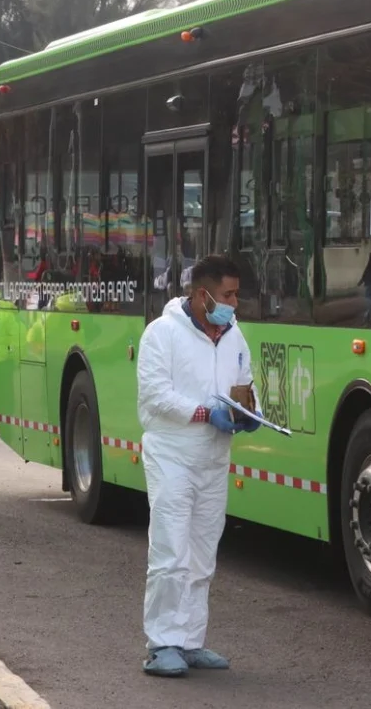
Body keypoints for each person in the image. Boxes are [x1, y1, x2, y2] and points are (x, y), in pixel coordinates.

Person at [136, 254, 261, 677]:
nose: (234, 303)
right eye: (227, 295)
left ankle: (190, 640)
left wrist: (247, 412)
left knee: (203, 554)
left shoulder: (233, 335)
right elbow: (155, 396)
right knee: (171, 550)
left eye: (236, 294)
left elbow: (245, 385)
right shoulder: (162, 334)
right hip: (172, 453)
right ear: (201, 293)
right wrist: (207, 413)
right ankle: (162, 644)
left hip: (213, 457)